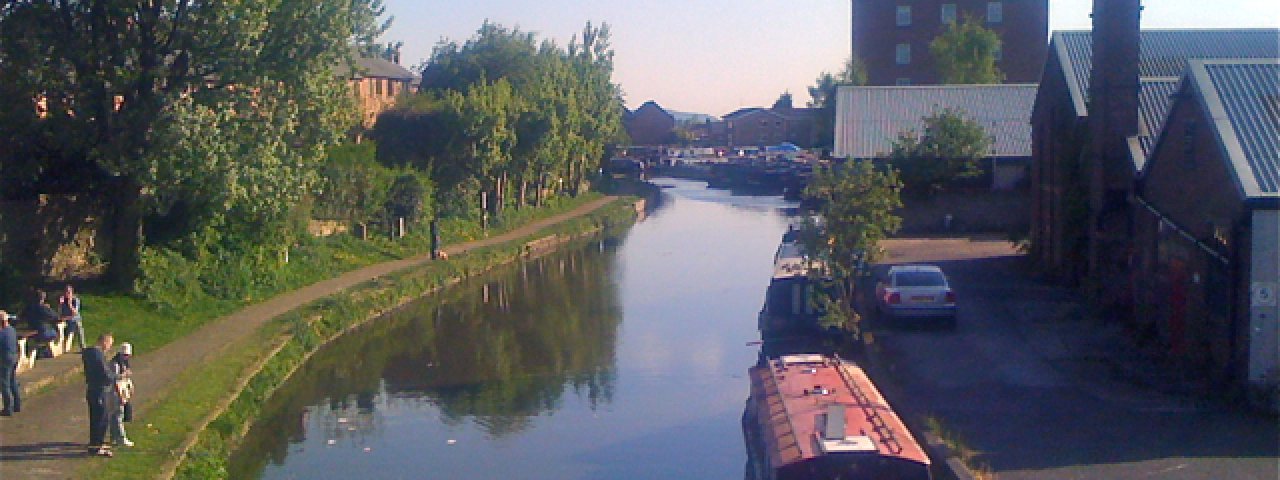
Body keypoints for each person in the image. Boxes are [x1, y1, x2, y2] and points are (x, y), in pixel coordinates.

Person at [82, 333, 116, 456]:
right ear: (104, 342)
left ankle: (96, 443)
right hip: (99, 390)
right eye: (109, 344)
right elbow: (104, 373)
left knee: (96, 418)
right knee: (101, 419)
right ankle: (96, 446)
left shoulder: (88, 353)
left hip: (93, 389)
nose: (109, 348)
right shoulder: (97, 355)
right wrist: (116, 377)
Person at [108, 342, 134, 447]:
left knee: (117, 415)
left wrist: (130, 385)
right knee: (118, 414)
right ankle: (121, 438)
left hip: (122, 391)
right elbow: (115, 380)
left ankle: (114, 437)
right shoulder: (115, 364)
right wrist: (121, 396)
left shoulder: (124, 363)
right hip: (116, 392)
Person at [0, 311, 20, 416]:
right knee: (13, 381)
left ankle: (8, 408)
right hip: (14, 357)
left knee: (4, 384)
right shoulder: (12, 330)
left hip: (5, 359)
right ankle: (17, 404)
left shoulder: (2, 333)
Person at [58, 284, 85, 351]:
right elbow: (59, 312)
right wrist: (60, 304)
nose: (67, 293)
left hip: (74, 318)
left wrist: (70, 304)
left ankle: (83, 346)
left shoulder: (76, 300)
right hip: (65, 318)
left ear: (72, 292)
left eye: (69, 292)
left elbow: (75, 312)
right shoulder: (63, 300)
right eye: (65, 292)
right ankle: (61, 345)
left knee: (79, 326)